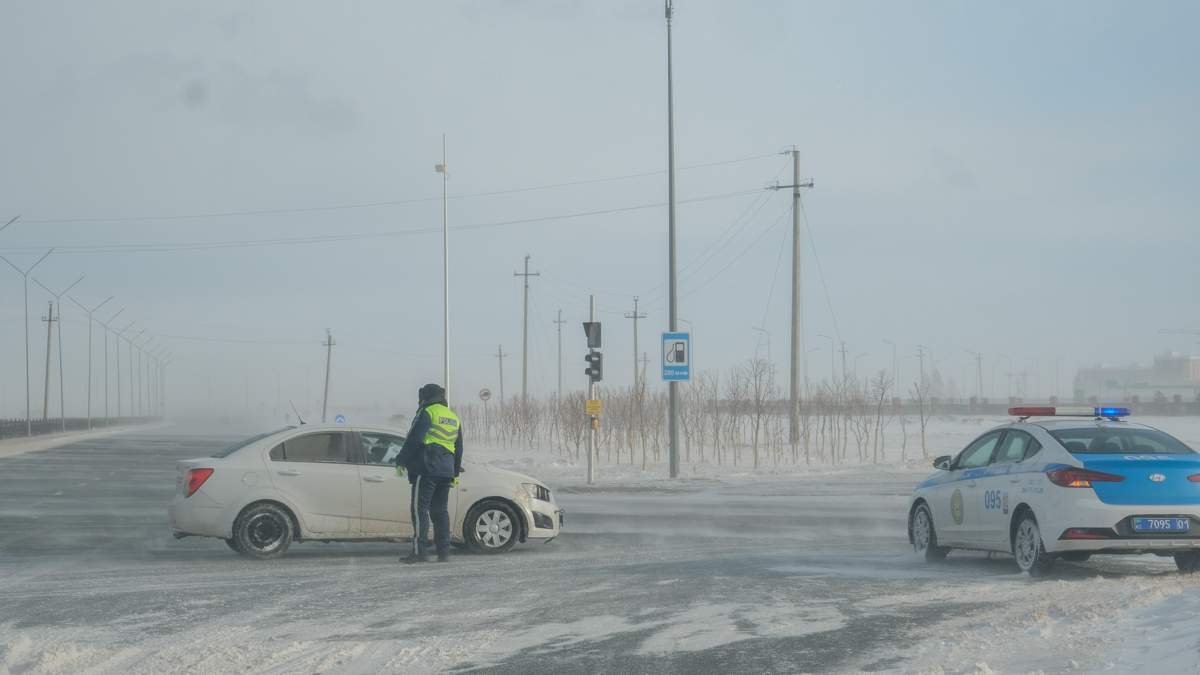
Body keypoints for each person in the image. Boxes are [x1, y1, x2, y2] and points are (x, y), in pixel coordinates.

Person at [395, 383, 463, 563]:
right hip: (446, 470)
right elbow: (459, 448)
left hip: (426, 468)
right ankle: (444, 552)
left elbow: (414, 439)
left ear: (425, 398)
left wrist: (401, 459)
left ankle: (420, 552)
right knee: (440, 511)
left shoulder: (427, 412)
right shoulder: (453, 417)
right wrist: (455, 473)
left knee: (420, 510)